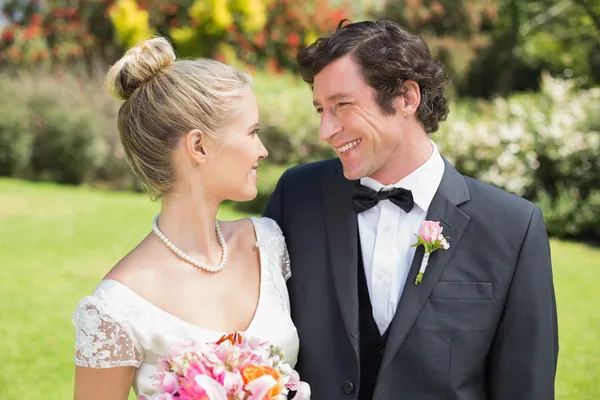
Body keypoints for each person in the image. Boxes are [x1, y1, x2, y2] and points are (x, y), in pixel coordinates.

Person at [264, 19, 558, 400]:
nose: (325, 130)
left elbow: (526, 389)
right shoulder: (297, 196)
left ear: (406, 97)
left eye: (342, 105)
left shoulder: (513, 228)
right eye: (321, 109)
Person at [72, 37, 298, 400]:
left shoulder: (267, 243)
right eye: (252, 132)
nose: (262, 150)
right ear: (199, 146)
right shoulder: (115, 307)